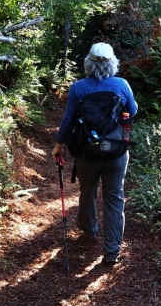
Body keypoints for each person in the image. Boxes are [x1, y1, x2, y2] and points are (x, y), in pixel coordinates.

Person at [51, 42, 138, 265]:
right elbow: (134, 110)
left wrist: (59, 145)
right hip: (116, 152)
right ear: (113, 63)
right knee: (114, 198)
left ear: (88, 63)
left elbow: (68, 120)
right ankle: (111, 251)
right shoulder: (121, 84)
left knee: (87, 191)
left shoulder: (79, 88)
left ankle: (89, 230)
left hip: (86, 152)